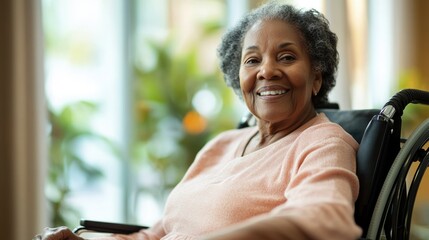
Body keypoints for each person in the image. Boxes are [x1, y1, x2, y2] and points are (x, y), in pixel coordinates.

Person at [37, 2, 362, 240]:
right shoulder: (222, 145)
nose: (266, 71)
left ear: (316, 77)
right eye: (252, 60)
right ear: (239, 78)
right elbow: (156, 235)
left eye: (287, 56)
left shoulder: (322, 143)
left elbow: (325, 223)